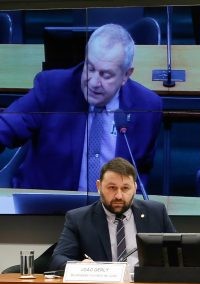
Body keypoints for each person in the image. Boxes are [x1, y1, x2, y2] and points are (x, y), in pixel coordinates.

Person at [0, 23, 162, 191]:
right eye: (90, 68)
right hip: (49, 206)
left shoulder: (147, 107)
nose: (93, 82)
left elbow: (141, 169)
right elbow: (5, 127)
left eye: (105, 75)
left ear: (126, 75)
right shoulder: (53, 88)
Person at [50, 157, 175, 271]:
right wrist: (80, 266)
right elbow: (58, 259)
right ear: (99, 186)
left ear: (135, 187)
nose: (119, 196)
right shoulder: (79, 219)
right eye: (112, 188)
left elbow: (177, 253)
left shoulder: (156, 213)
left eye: (125, 188)